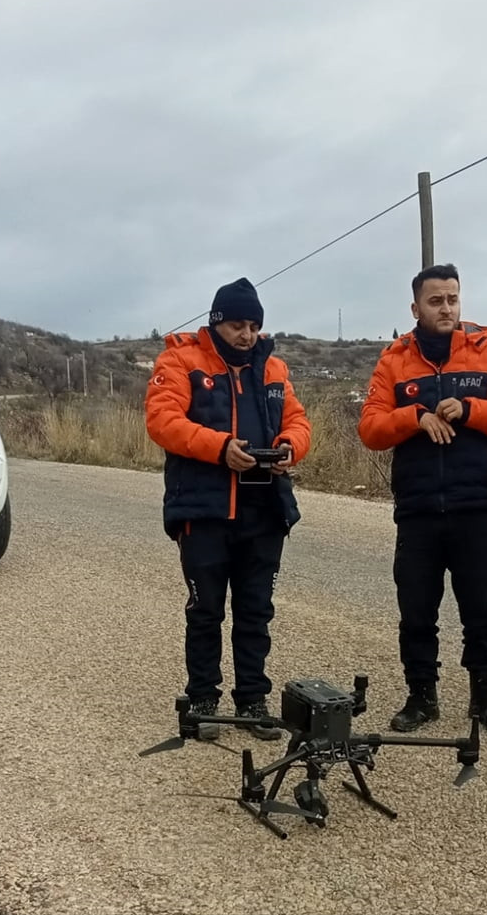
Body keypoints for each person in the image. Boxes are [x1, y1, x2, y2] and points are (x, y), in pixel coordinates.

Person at [358, 263, 487, 734]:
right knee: (417, 611)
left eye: (453, 299)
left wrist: (472, 409)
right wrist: (413, 417)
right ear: (415, 308)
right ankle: (421, 698)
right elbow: (371, 429)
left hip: (474, 506)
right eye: (436, 301)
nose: (447, 308)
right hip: (416, 510)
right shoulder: (394, 361)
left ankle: (486, 698)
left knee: (481, 609)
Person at [145, 277, 311, 740]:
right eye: (237, 324)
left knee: (256, 611)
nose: (246, 334)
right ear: (217, 323)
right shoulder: (180, 360)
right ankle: (203, 698)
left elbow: (298, 422)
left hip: (264, 511)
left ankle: (253, 700)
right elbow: (162, 421)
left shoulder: (274, 369)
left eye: (254, 325)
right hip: (205, 510)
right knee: (205, 610)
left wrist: (288, 448)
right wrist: (220, 449)